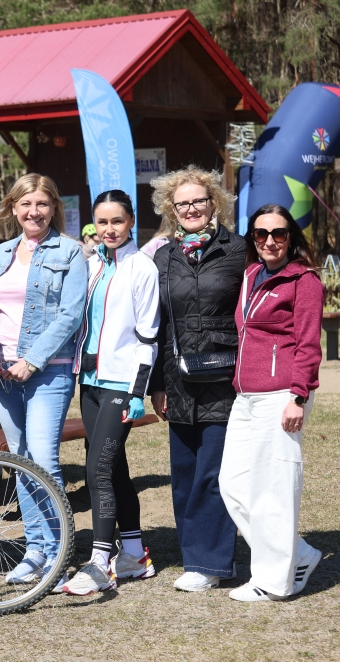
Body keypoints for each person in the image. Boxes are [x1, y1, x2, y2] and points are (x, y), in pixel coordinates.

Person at [0, 174, 86, 592]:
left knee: (43, 460)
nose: (33, 212)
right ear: (13, 208)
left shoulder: (71, 251)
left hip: (48, 371)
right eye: (25, 204)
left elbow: (70, 314)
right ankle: (36, 550)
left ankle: (58, 553)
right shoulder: (2, 253)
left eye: (42, 204)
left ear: (53, 207)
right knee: (20, 460)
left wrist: (33, 359)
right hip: (2, 373)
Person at [147, 167, 246, 593]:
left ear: (214, 204)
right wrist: (157, 383)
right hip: (178, 376)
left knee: (214, 471)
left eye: (198, 201)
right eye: (181, 203)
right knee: (184, 471)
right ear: (171, 209)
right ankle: (195, 557)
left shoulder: (239, 250)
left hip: (225, 375)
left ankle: (210, 564)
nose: (190, 209)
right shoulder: (163, 256)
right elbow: (157, 322)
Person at [219, 204, 323, 602]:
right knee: (233, 485)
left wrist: (298, 396)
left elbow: (309, 344)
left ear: (291, 237)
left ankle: (274, 582)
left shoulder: (304, 281)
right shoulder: (249, 276)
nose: (269, 241)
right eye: (261, 234)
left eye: (278, 233)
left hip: (282, 395)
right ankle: (297, 554)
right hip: (246, 395)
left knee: (273, 489)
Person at [63, 190, 160, 596]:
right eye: (102, 223)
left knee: (97, 472)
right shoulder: (91, 266)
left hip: (122, 384)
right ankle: (135, 555)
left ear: (131, 221)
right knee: (113, 466)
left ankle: (99, 562)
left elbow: (148, 336)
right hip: (90, 381)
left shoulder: (142, 268)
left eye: (117, 221)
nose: (109, 229)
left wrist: (139, 390)